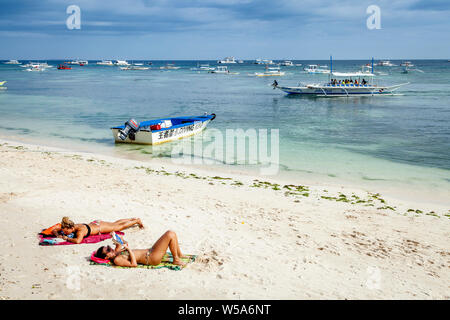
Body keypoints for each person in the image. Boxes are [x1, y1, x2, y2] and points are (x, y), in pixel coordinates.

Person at [95, 230, 185, 267]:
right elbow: (134, 264)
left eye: (108, 247)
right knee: (169, 234)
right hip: (151, 258)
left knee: (172, 233)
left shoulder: (116, 252)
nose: (110, 248)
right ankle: (176, 259)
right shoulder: (117, 260)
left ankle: (179, 254)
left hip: (151, 251)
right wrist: (129, 250)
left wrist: (115, 237)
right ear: (106, 257)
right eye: (108, 250)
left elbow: (121, 240)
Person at [52, 217, 144, 244]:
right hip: (95, 224)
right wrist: (57, 235)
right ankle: (132, 219)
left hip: (100, 227)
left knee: (118, 227)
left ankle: (136, 221)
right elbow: (54, 230)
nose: (64, 232)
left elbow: (78, 241)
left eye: (66, 231)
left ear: (71, 228)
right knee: (114, 223)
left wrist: (66, 238)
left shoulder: (80, 231)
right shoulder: (71, 226)